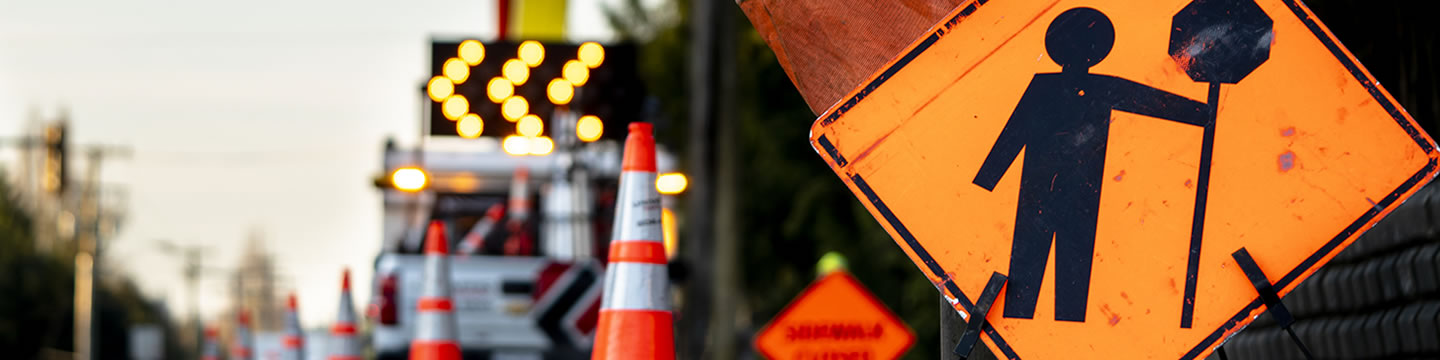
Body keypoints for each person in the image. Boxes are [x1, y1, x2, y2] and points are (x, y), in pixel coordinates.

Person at [972, 7, 1208, 322]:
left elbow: (1150, 100)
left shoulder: (1094, 87)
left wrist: (1203, 114)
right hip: (1043, 190)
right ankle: (1031, 319)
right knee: (1028, 274)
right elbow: (1013, 134)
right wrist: (986, 180)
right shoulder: (1052, 87)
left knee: (1071, 270)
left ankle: (1063, 326)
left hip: (1079, 191)